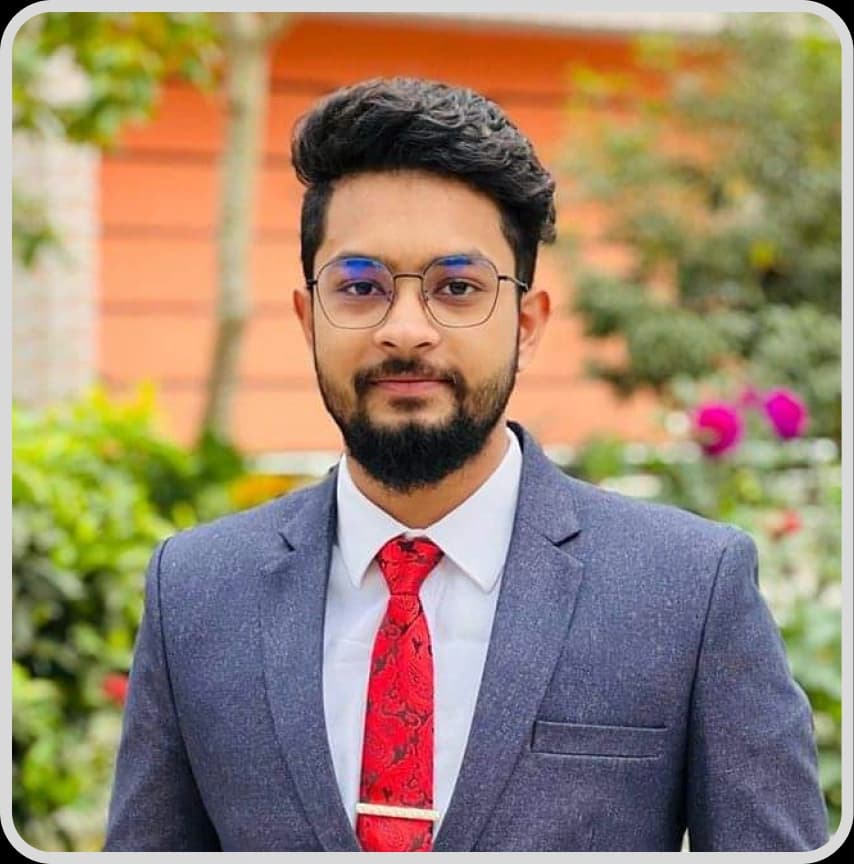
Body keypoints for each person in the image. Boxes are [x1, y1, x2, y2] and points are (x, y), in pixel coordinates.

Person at [104, 76, 829, 853]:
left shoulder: (687, 588)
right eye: (359, 286)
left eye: (457, 288)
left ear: (526, 322)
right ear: (307, 316)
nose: (406, 329)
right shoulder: (197, 592)